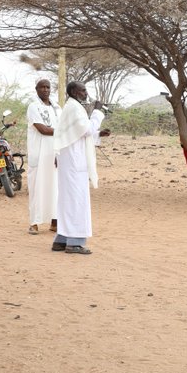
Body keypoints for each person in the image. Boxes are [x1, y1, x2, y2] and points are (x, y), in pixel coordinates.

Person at [51, 80, 110, 255]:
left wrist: (99, 134)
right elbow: (86, 130)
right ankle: (74, 243)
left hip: (71, 161)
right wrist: (98, 112)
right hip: (73, 163)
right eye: (83, 90)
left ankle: (61, 240)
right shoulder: (74, 108)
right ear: (74, 92)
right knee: (76, 201)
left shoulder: (73, 107)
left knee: (68, 200)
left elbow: (77, 134)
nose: (86, 93)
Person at [26, 78, 61, 235]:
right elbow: (43, 130)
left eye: (48, 87)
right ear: (37, 89)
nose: (45, 90)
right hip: (38, 154)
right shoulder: (33, 107)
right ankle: (34, 223)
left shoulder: (57, 108)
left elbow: (62, 127)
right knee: (37, 188)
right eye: (42, 87)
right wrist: (63, 132)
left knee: (55, 188)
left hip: (54, 153)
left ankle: (54, 222)